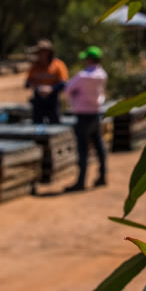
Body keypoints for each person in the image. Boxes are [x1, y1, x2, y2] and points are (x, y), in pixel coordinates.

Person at [64, 46, 108, 192]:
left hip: (82, 114)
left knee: (82, 148)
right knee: (98, 145)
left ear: (89, 59)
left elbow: (68, 89)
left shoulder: (82, 76)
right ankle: (102, 176)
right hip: (96, 113)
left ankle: (81, 181)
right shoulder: (102, 74)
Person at [26, 39, 68, 124]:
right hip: (38, 100)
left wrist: (51, 88)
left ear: (49, 52)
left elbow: (64, 84)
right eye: (39, 52)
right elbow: (27, 83)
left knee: (54, 124)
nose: (40, 54)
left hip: (53, 100)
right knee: (37, 124)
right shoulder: (35, 66)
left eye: (43, 52)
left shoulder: (58, 65)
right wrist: (37, 87)